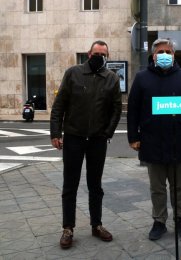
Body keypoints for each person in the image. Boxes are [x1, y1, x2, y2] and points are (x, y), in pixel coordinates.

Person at [127, 38, 181, 241]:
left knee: (179, 186)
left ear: (174, 55)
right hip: (152, 141)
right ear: (153, 55)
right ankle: (159, 221)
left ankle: (180, 219)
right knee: (157, 187)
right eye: (161, 51)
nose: (165, 55)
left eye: (169, 51)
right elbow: (133, 110)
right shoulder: (142, 78)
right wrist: (133, 137)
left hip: (179, 140)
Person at [50, 40, 122, 249]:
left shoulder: (112, 78)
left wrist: (107, 132)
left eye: (104, 54)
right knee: (69, 185)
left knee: (95, 186)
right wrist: (56, 132)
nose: (100, 56)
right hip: (74, 137)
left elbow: (116, 109)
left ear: (107, 56)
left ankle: (96, 224)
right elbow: (59, 105)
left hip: (97, 140)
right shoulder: (73, 73)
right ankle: (68, 228)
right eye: (96, 53)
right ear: (89, 54)